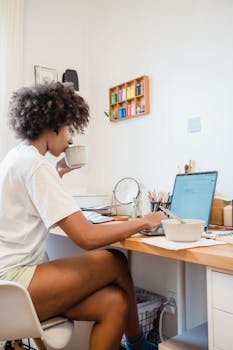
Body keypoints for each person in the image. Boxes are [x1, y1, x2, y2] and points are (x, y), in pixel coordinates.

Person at [0, 82, 164, 350]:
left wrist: (58, 173)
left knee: (115, 303)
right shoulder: (35, 165)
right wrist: (145, 221)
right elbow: (87, 237)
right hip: (13, 284)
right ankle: (138, 344)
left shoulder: (17, 157)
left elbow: (30, 199)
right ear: (53, 125)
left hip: (9, 282)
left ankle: (136, 343)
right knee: (115, 261)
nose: (71, 139)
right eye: (68, 129)